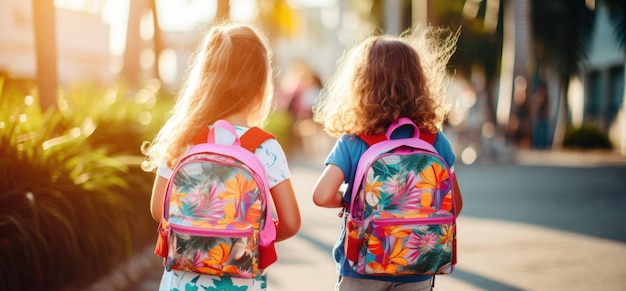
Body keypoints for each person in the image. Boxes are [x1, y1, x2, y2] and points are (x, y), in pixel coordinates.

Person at [142, 22, 301, 291]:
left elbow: (159, 210)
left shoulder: (183, 137)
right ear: (262, 83)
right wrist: (248, 237)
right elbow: (291, 222)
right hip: (239, 281)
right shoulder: (264, 147)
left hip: (182, 281)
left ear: (204, 78)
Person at [311, 25, 464, 291]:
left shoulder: (354, 141)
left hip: (364, 264)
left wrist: (353, 199)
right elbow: (454, 205)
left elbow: (322, 195)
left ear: (361, 85)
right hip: (418, 265)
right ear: (419, 83)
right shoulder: (435, 140)